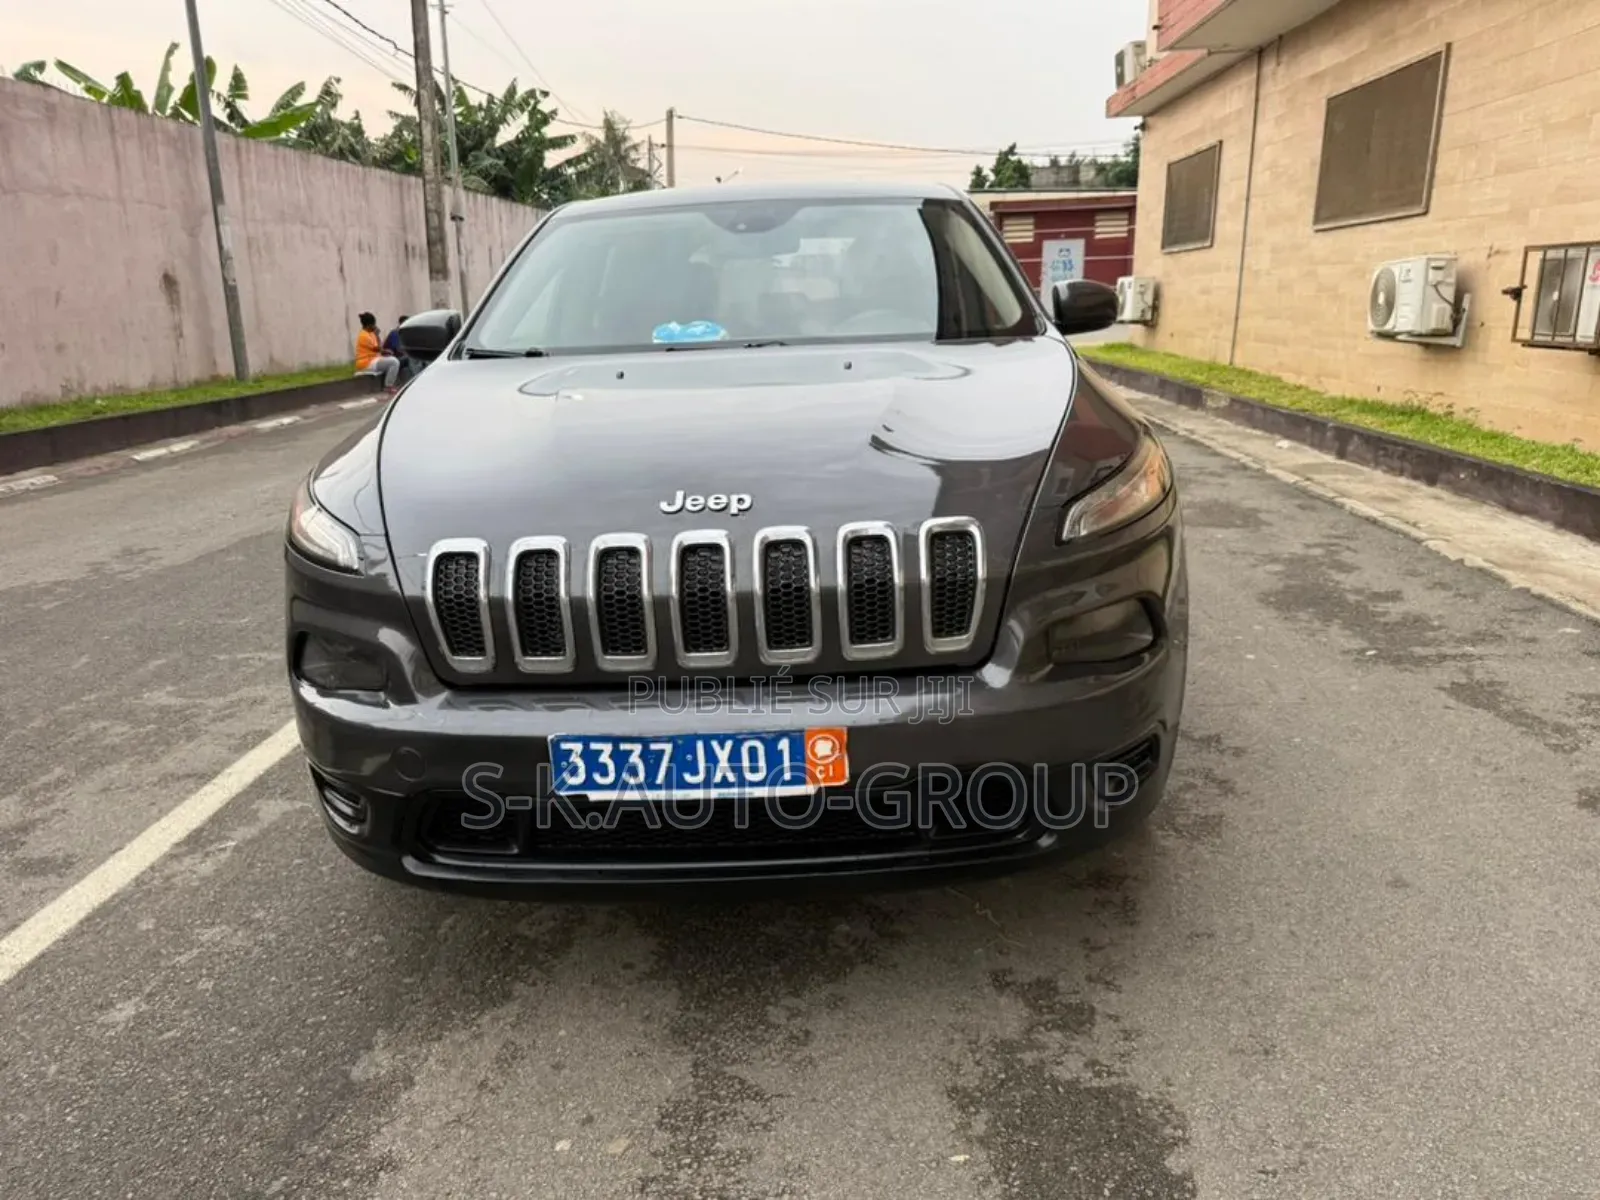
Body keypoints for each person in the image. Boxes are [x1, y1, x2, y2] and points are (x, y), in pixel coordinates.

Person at [354, 311, 401, 393]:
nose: (375, 326)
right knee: (394, 362)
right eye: (374, 324)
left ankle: (388, 384)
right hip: (365, 363)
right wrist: (386, 351)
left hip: (373, 360)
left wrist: (377, 337)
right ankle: (388, 386)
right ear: (369, 325)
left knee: (392, 360)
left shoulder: (370, 333)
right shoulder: (363, 336)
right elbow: (377, 349)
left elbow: (379, 347)